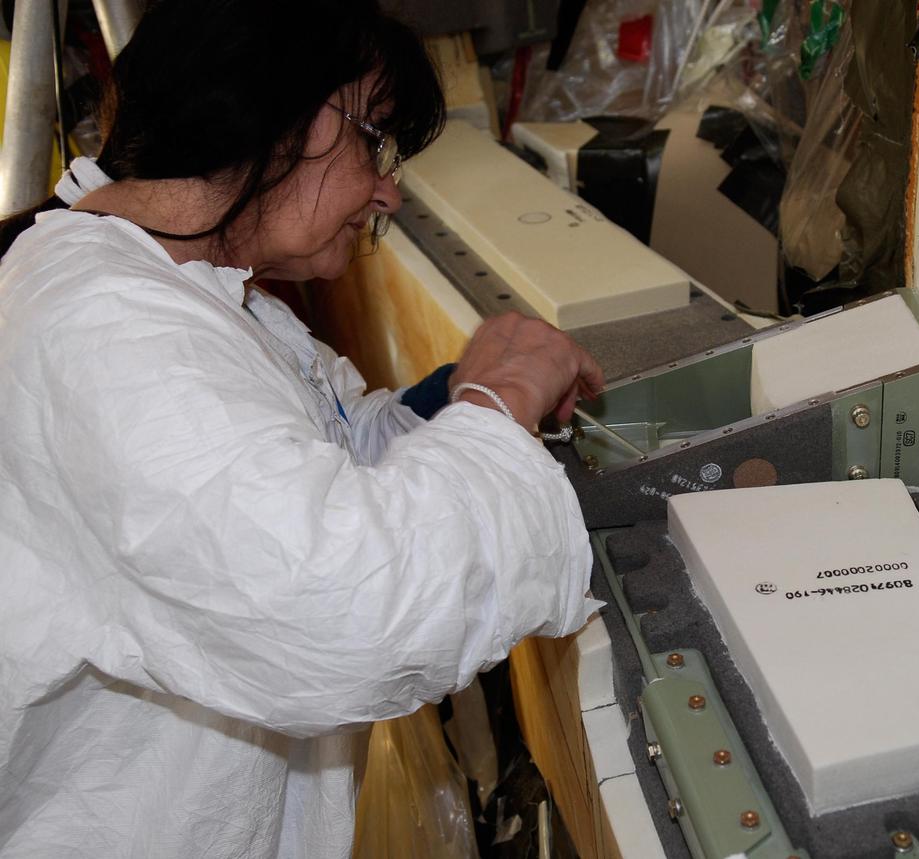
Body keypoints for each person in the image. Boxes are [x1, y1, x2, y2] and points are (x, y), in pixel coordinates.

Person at [0, 1, 604, 856]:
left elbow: (326, 453)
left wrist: (452, 398)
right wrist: (497, 402)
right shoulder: (106, 329)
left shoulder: (201, 287)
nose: (388, 190)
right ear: (283, 111)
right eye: (375, 140)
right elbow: (344, 605)